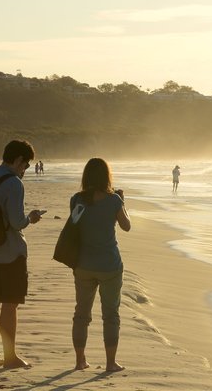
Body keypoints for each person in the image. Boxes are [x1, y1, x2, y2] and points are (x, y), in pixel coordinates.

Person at [0, 140, 45, 369]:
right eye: (25, 165)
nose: (25, 170)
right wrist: (31, 219)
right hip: (10, 253)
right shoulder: (13, 183)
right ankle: (10, 357)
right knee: (10, 304)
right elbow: (16, 222)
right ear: (17, 160)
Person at [71, 158, 131, 372]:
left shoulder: (77, 199)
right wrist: (122, 203)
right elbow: (127, 226)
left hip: (83, 264)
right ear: (107, 176)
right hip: (109, 265)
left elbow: (74, 224)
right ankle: (110, 363)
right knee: (111, 314)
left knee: (81, 314)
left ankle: (80, 361)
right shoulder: (114, 200)